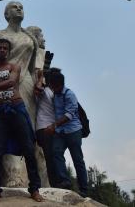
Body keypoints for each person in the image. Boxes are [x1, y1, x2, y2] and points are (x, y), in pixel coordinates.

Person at [0, 1, 43, 187]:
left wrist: (39, 81)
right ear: (6, 14)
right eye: (13, 7)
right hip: (2, 82)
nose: (19, 8)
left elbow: (36, 65)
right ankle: (13, 174)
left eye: (21, 7)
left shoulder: (29, 37)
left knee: (27, 130)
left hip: (25, 82)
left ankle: (33, 179)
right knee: (4, 132)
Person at [45, 68, 88, 197]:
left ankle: (84, 189)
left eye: (53, 86)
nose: (52, 88)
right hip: (60, 132)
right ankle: (65, 181)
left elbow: (69, 114)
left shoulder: (69, 94)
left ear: (59, 85)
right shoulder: (55, 95)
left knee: (78, 160)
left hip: (73, 131)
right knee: (56, 153)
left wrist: (54, 125)